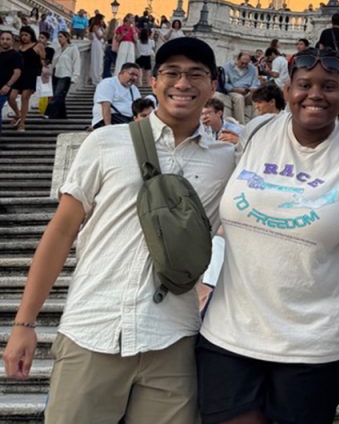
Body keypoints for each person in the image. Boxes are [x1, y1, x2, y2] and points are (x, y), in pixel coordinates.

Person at [2, 37, 234, 424]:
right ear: (152, 81)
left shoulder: (226, 161)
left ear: (213, 86)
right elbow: (60, 233)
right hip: (94, 327)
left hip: (172, 338)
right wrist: (25, 323)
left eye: (196, 74)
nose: (183, 83)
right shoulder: (107, 142)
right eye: (172, 73)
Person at [197, 47, 339, 424]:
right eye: (304, 85)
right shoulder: (257, 131)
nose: (315, 94)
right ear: (287, 88)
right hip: (231, 333)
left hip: (317, 342)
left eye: (329, 86)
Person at [8, 26, 45, 132]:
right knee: (11, 97)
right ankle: (18, 114)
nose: (24, 37)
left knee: (25, 97)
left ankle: (22, 123)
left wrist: (44, 72)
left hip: (31, 74)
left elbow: (43, 60)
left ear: (31, 35)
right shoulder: (18, 46)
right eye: (22, 35)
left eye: (26, 35)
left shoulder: (38, 46)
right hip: (19, 74)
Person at [91, 63, 141, 129]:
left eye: (136, 76)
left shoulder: (134, 89)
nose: (134, 78)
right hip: (110, 119)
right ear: (121, 73)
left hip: (128, 119)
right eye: (132, 74)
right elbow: (105, 106)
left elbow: (139, 107)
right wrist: (108, 127)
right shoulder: (108, 83)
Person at [216, 52, 261, 123]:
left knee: (257, 96)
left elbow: (255, 82)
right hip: (233, 91)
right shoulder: (228, 67)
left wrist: (253, 88)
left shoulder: (252, 68)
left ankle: (255, 121)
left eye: (246, 64)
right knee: (239, 98)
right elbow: (224, 83)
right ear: (237, 60)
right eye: (242, 63)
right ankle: (241, 123)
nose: (244, 65)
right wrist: (236, 89)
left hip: (247, 91)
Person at [48, 31, 80, 120]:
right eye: (58, 37)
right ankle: (62, 116)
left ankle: (51, 114)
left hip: (66, 75)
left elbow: (76, 62)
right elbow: (53, 63)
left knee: (58, 94)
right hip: (56, 74)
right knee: (58, 95)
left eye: (61, 37)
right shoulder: (58, 50)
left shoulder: (73, 48)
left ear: (66, 38)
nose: (59, 39)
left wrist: (75, 76)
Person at [0, 30, 23, 139]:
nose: (5, 41)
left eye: (8, 39)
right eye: (3, 39)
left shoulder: (15, 55)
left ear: (12, 41)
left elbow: (17, 72)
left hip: (5, 88)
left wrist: (8, 85)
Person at [88, 21, 106, 85]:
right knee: (96, 61)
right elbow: (99, 37)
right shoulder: (95, 27)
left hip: (100, 44)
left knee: (100, 61)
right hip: (96, 43)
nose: (102, 22)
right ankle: (95, 78)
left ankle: (98, 76)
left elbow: (105, 37)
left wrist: (103, 31)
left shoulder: (101, 28)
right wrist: (103, 34)